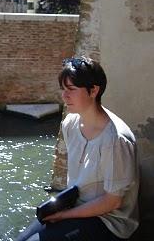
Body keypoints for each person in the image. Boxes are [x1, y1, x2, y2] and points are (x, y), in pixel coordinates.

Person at [16, 56, 139, 241]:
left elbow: (113, 201)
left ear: (93, 91)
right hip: (77, 206)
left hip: (109, 222)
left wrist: (63, 215)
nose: (64, 96)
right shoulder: (70, 123)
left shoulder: (115, 140)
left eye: (71, 89)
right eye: (63, 89)